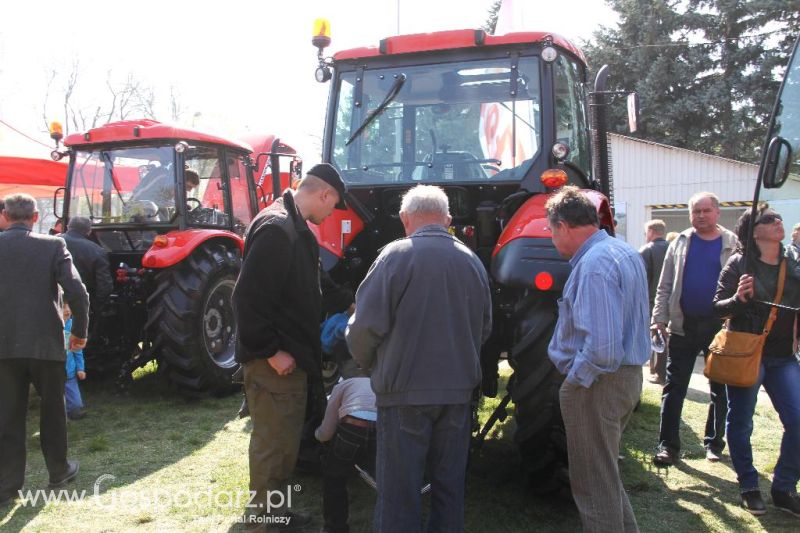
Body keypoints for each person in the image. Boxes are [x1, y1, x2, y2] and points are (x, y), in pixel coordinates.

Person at [346, 184, 492, 533]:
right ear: (448, 219)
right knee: (449, 489)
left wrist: (372, 366)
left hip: (403, 395)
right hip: (457, 395)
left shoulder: (394, 257)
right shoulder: (472, 261)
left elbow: (363, 329)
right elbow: (484, 328)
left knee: (399, 492)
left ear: (404, 218)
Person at [232, 162, 347, 528]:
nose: (332, 213)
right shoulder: (277, 229)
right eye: (333, 205)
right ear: (324, 194)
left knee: (285, 447)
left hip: (292, 360)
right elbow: (246, 300)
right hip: (274, 363)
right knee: (272, 447)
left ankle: (276, 513)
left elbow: (316, 285)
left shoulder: (299, 232)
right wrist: (270, 351)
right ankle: (263, 523)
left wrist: (351, 301)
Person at [545, 186, 650, 533]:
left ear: (562, 225)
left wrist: (575, 381)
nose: (551, 239)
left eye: (550, 230)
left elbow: (602, 349)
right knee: (604, 475)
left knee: (592, 484)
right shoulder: (622, 251)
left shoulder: (594, 266)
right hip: (624, 378)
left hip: (599, 383)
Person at [0, 193, 89, 506]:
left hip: (4, 346)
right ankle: (58, 471)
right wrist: (79, 332)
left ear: (6, 216)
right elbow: (78, 292)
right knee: (52, 412)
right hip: (45, 343)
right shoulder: (53, 245)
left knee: (7, 416)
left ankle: (7, 485)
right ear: (36, 217)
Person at [713, 204, 800, 517]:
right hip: (747, 354)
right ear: (753, 231)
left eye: (777, 217)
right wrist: (737, 299)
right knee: (741, 421)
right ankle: (749, 485)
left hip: (784, 357)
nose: (777, 221)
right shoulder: (739, 264)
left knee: (798, 420)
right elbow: (718, 309)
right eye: (768, 219)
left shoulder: (794, 261)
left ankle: (784, 487)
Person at [652, 192, 738, 466]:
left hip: (719, 326)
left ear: (717, 212)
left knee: (719, 387)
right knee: (674, 386)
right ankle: (668, 447)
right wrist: (659, 318)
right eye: (695, 211)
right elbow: (665, 285)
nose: (701, 216)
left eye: (706, 211)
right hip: (683, 324)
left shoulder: (731, 243)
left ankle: (714, 444)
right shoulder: (679, 241)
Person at [315, 375, 377, 533]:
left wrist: (317, 435)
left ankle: (335, 527)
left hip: (352, 428)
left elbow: (326, 432)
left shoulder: (343, 385)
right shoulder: (384, 379)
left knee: (334, 476)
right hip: (383, 428)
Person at [61, 216, 113, 313]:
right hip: (79, 304)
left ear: (68, 227)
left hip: (52, 300)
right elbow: (104, 285)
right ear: (89, 231)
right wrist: (96, 307)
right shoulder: (97, 251)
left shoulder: (49, 243)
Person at [640, 220, 670, 384]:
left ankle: (658, 373)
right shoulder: (673, 248)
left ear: (651, 231)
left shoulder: (647, 250)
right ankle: (660, 371)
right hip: (672, 302)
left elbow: (641, 279)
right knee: (665, 337)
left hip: (651, 302)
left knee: (655, 337)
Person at [62, 304, 87, 420]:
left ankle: (74, 411)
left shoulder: (72, 326)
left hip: (69, 372)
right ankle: (61, 415)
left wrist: (80, 368)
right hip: (54, 372)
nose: (67, 310)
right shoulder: (49, 326)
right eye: (63, 307)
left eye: (68, 307)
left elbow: (77, 350)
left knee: (75, 401)